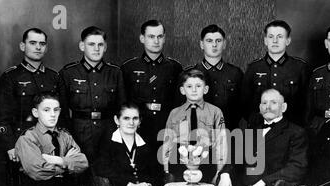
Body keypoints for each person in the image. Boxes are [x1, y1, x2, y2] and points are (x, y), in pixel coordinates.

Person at [161, 68, 227, 186]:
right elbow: (167, 143)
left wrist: (219, 172)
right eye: (189, 86)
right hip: (180, 165)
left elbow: (221, 144)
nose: (194, 90)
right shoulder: (175, 113)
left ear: (205, 89)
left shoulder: (215, 112)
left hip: (206, 165)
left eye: (198, 86)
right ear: (182, 90)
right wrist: (167, 171)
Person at [57, 26, 125, 163]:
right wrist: (68, 138)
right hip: (78, 132)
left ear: (105, 47)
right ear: (82, 46)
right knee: (80, 173)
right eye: (91, 44)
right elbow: (62, 111)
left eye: (100, 45)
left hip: (108, 131)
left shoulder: (115, 73)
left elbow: (122, 107)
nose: (96, 49)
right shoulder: (68, 73)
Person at [0, 28, 58, 163]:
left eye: (42, 44)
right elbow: (2, 116)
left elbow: (63, 114)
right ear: (22, 46)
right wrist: (10, 146)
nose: (38, 47)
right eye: (33, 43)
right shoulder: (10, 77)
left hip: (50, 142)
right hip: (21, 140)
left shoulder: (53, 77)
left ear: (46, 48)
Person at [122, 19, 183, 153]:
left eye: (159, 36)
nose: (156, 41)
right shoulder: (129, 68)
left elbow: (179, 103)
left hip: (166, 127)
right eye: (151, 36)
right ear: (142, 38)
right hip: (138, 127)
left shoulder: (175, 68)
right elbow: (123, 102)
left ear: (164, 38)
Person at [241, 20, 310, 126]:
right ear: (265, 40)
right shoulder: (254, 68)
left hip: (291, 129)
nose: (275, 41)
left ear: (288, 41)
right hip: (259, 128)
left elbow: (307, 103)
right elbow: (244, 103)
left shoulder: (300, 67)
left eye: (280, 37)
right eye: (271, 36)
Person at [193, 24, 243, 129]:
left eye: (218, 41)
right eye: (209, 41)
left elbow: (243, 107)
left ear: (224, 44)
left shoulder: (235, 73)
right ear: (202, 44)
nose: (214, 45)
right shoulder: (190, 73)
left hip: (229, 133)